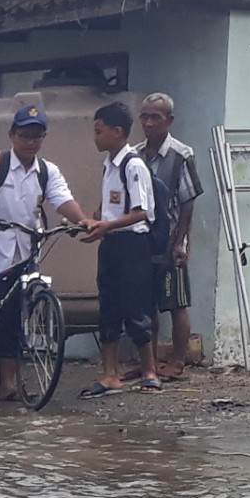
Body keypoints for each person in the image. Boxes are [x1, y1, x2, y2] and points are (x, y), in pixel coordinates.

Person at [0, 105, 94, 400]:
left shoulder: (46, 172)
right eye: (25, 135)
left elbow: (64, 200)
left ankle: (8, 385)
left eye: (37, 136)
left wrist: (83, 220)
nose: (31, 142)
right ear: (12, 135)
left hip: (23, 253)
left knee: (13, 317)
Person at [78, 102, 159, 396]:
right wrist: (94, 222)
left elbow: (142, 212)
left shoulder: (133, 165)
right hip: (111, 243)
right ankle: (110, 374)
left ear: (117, 132)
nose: (95, 137)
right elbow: (109, 206)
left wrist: (107, 226)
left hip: (132, 244)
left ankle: (150, 371)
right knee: (109, 305)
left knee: (135, 306)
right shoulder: (108, 165)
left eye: (99, 131)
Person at [138, 93, 203, 381]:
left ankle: (177, 362)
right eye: (145, 116)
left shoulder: (181, 154)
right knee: (146, 303)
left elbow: (188, 201)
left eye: (156, 117)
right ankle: (149, 362)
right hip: (143, 239)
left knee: (176, 302)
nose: (149, 122)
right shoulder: (135, 154)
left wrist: (180, 242)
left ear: (169, 120)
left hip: (171, 237)